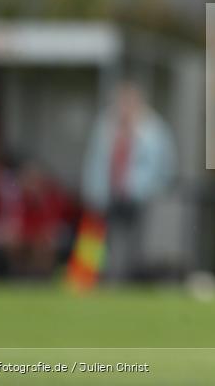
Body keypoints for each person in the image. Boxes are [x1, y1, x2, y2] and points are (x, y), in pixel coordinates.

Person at [81, 82, 177, 281]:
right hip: (108, 194)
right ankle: (105, 278)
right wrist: (93, 191)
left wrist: (151, 189)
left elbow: (165, 164)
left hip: (139, 196)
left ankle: (131, 279)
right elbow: (95, 161)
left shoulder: (153, 130)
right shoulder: (105, 125)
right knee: (104, 240)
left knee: (136, 241)